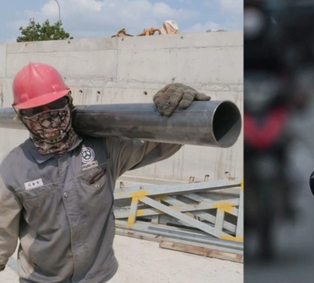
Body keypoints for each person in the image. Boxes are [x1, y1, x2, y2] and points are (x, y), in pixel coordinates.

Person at [0, 62, 210, 283]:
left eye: (54, 104)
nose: (48, 116)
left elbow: (157, 145)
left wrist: (181, 114)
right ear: (21, 115)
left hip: (96, 277)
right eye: (35, 110)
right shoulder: (14, 169)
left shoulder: (104, 149)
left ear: (68, 100)